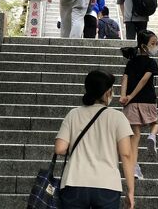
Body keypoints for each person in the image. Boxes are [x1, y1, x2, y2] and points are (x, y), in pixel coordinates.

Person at [55, 69, 135, 209]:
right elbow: (126, 154)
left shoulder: (73, 114)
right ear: (107, 92)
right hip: (107, 185)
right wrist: (131, 191)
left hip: (74, 182)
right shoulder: (117, 117)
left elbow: (60, 148)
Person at [119, 30, 158, 180]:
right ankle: (152, 136)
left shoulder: (131, 62)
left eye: (157, 43)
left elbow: (125, 79)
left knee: (135, 136)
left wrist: (125, 96)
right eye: (153, 44)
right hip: (148, 100)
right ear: (144, 46)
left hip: (131, 104)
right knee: (155, 124)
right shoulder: (151, 62)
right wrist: (130, 95)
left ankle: (134, 169)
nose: (156, 46)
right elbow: (144, 81)